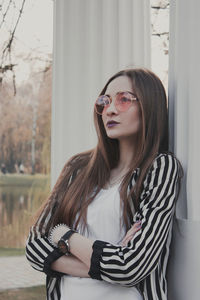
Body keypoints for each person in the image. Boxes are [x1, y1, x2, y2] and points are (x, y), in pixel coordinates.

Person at [26, 68, 182, 300]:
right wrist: (112, 256)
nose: (109, 110)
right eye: (104, 101)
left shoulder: (160, 168)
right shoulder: (78, 167)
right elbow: (35, 247)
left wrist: (65, 236)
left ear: (149, 106)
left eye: (124, 100)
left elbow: (131, 267)